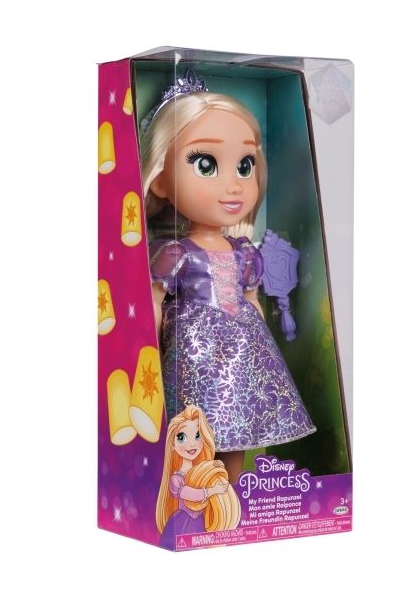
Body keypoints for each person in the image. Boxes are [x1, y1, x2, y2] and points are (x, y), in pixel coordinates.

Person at [140, 70, 316, 481]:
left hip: (243, 353)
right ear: (160, 179)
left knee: (237, 432)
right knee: (195, 435)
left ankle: (231, 500)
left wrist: (263, 351)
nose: (234, 186)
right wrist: (148, 354)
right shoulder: (176, 254)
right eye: (206, 164)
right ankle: (196, 497)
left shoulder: (244, 252)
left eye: (245, 165)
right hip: (196, 355)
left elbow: (252, 300)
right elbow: (153, 303)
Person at [155, 405, 238, 549]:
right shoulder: (176, 479)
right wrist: (212, 490)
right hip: (185, 521)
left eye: (197, 435)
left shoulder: (201, 468)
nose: (192, 443)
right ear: (172, 444)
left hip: (202, 519)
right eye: (182, 437)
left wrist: (214, 467)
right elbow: (190, 494)